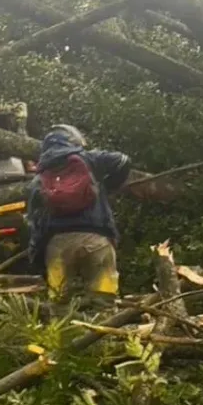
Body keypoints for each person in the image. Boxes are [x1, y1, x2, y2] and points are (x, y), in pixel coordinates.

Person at [27, 124, 132, 308]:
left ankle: (64, 334)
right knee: (104, 299)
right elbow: (123, 160)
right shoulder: (89, 159)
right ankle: (108, 333)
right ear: (74, 140)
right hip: (96, 239)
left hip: (58, 244)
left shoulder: (40, 177)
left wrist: (36, 253)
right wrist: (108, 187)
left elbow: (35, 221)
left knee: (59, 303)